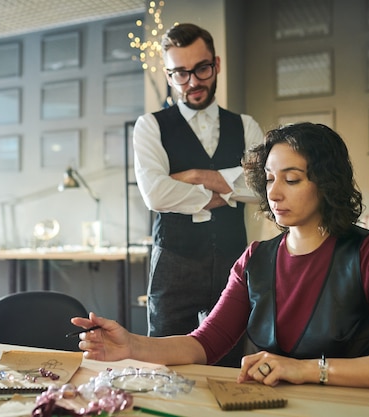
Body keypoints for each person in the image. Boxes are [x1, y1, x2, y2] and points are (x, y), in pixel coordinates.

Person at [72, 122, 369, 391]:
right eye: (268, 178)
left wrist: (306, 370)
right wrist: (132, 345)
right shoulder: (256, 259)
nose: (274, 193)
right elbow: (204, 343)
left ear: (327, 184)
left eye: (291, 179)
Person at [132, 22, 263, 366]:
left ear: (216, 64)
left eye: (201, 69)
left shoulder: (246, 126)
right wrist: (227, 190)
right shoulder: (150, 126)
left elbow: (262, 186)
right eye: (180, 73)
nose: (192, 82)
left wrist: (193, 177)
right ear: (168, 74)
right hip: (174, 262)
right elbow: (156, 195)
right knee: (163, 363)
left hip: (235, 262)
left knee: (230, 362)